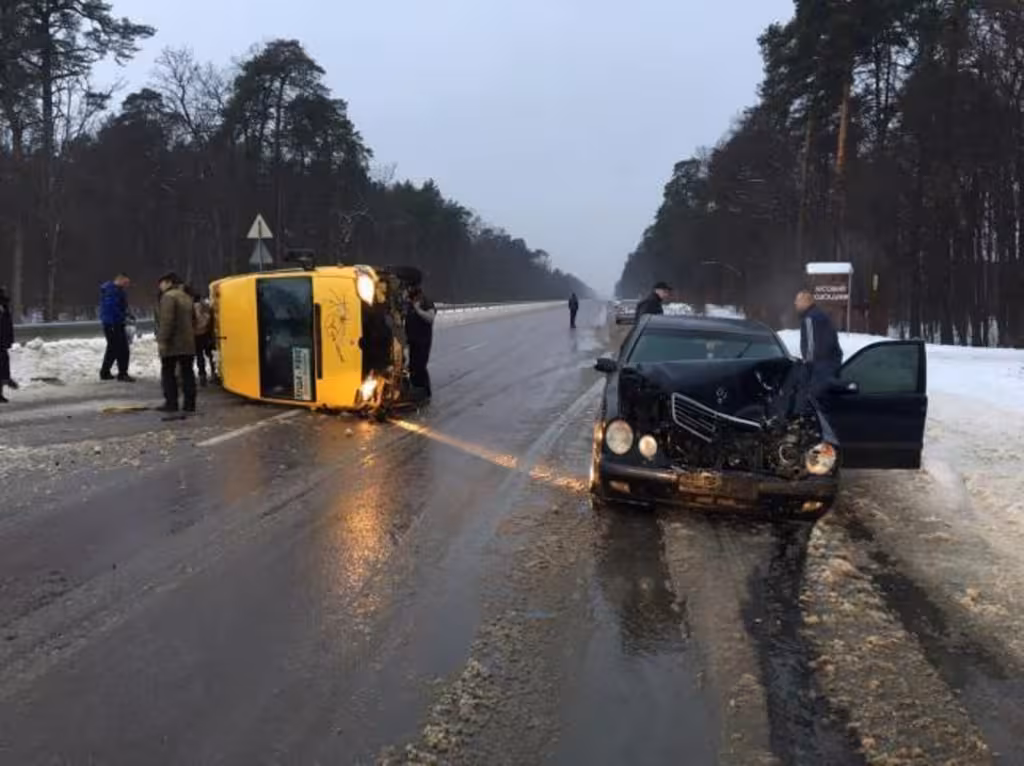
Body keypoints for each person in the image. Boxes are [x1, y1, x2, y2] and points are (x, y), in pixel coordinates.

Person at [156, 272, 197, 415]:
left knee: (168, 372)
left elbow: (167, 321)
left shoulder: (168, 297)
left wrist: (162, 340)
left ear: (168, 282)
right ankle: (190, 404)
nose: (160, 287)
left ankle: (171, 403)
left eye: (161, 283)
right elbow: (194, 320)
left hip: (173, 344)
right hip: (188, 342)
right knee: (188, 373)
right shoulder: (186, 297)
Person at [795, 288, 843, 397]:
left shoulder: (809, 318)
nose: (795, 303)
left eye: (798, 301)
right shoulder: (821, 315)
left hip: (819, 369)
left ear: (806, 302)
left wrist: (807, 366)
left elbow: (810, 345)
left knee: (813, 399)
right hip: (831, 365)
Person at [99, 273, 135, 382]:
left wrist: (127, 314)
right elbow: (112, 308)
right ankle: (122, 373)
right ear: (120, 280)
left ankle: (105, 372)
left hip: (111, 323)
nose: (127, 285)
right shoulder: (112, 292)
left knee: (113, 348)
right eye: (125, 282)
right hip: (114, 323)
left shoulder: (114, 291)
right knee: (122, 349)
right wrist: (122, 316)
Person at [406, 281, 437, 401]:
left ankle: (425, 392)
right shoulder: (409, 303)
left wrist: (418, 310)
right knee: (412, 366)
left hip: (423, 340)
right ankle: (415, 390)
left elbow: (430, 318)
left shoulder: (426, 301)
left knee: (420, 366)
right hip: (412, 340)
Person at [187, 286, 217, 386]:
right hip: (207, 334)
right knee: (211, 355)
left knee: (200, 356)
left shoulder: (190, 308)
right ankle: (214, 372)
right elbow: (211, 318)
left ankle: (202, 376)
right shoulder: (206, 307)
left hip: (196, 335)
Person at [0, 286, 15, 403]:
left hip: (2, 342)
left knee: (2, 367)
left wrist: (9, 340)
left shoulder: (4, 307)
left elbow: (8, 325)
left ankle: (0, 392)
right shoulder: (4, 307)